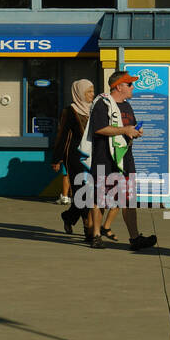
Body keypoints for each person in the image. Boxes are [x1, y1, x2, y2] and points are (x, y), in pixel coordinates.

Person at [88, 71, 157, 251]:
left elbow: (128, 129)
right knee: (100, 199)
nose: (133, 87)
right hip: (105, 158)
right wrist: (124, 130)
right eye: (129, 84)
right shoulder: (102, 104)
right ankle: (96, 235)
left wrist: (134, 132)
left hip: (125, 159)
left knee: (128, 200)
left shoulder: (127, 106)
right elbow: (99, 129)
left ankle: (135, 238)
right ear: (119, 86)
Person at [52, 80, 95, 236]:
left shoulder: (94, 109)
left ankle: (68, 217)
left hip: (92, 156)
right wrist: (56, 159)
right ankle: (88, 227)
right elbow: (62, 135)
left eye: (92, 91)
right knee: (81, 191)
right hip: (75, 157)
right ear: (80, 93)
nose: (92, 94)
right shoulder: (70, 111)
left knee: (89, 192)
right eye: (89, 92)